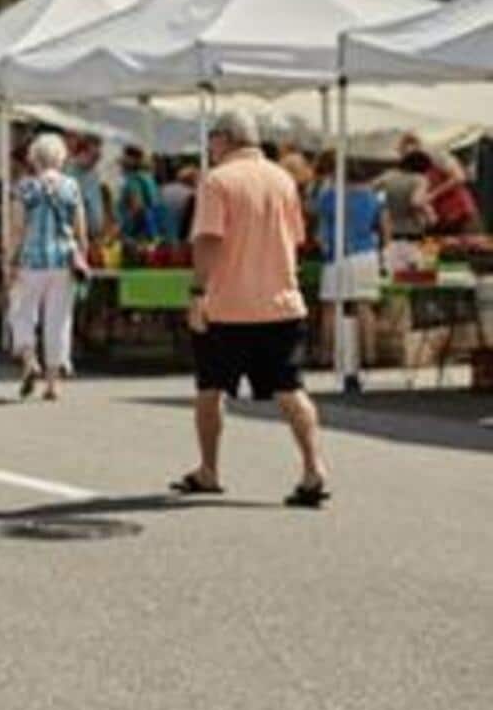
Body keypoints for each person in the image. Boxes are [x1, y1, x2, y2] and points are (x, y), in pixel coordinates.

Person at [175, 109, 330, 508]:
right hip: (281, 302)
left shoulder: (218, 180)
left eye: (212, 137)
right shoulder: (283, 180)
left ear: (225, 138)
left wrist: (197, 292)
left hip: (227, 306)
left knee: (210, 389)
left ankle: (209, 469)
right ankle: (314, 468)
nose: (209, 144)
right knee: (290, 389)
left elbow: (208, 240)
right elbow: (295, 238)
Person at [4, 134, 87, 402]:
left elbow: (17, 228)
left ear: (34, 159)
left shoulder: (25, 187)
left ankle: (29, 360)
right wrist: (82, 255)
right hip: (63, 260)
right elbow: (80, 228)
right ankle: (53, 383)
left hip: (32, 260)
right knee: (59, 319)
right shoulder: (71, 186)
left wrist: (10, 260)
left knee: (22, 311)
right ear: (60, 158)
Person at [313, 151, 387, 389]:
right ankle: (370, 356)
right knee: (364, 307)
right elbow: (385, 228)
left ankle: (327, 356)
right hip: (366, 254)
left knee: (331, 308)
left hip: (337, 255)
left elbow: (314, 218)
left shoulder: (329, 196)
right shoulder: (374, 197)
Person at [404, 134, 482, 236]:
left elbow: (459, 177)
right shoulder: (413, 171)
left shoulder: (437, 155)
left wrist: (433, 195)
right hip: (441, 220)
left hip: (461, 215)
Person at [116, 145, 164, 242]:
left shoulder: (133, 180)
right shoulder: (148, 178)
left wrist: (120, 229)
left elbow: (137, 207)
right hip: (153, 231)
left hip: (136, 236)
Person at [66, 136, 110, 242]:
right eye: (94, 157)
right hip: (77, 236)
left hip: (93, 236)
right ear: (82, 153)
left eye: (98, 158)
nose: (96, 162)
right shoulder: (70, 174)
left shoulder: (93, 173)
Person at [162, 165, 200, 240]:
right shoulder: (192, 194)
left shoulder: (165, 188)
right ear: (192, 179)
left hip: (161, 230)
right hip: (180, 233)